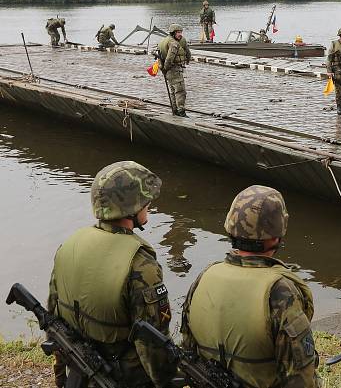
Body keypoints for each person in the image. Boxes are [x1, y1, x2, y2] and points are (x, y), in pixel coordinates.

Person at [47, 161, 173, 387]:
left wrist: (61, 376)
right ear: (131, 207)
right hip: (123, 377)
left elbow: (54, 321)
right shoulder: (140, 264)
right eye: (145, 201)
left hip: (79, 371)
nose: (149, 206)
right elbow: (152, 346)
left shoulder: (69, 246)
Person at [180, 185, 319, 388]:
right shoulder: (279, 291)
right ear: (276, 235)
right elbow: (300, 378)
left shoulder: (204, 277)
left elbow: (188, 350)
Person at [157, 24, 191, 117]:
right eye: (178, 32)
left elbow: (187, 52)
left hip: (169, 70)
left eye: (181, 32)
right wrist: (165, 68)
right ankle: (181, 111)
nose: (180, 34)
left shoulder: (164, 41)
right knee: (180, 91)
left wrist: (163, 69)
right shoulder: (174, 44)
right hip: (174, 69)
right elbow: (169, 58)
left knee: (173, 90)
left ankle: (174, 110)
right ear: (173, 33)